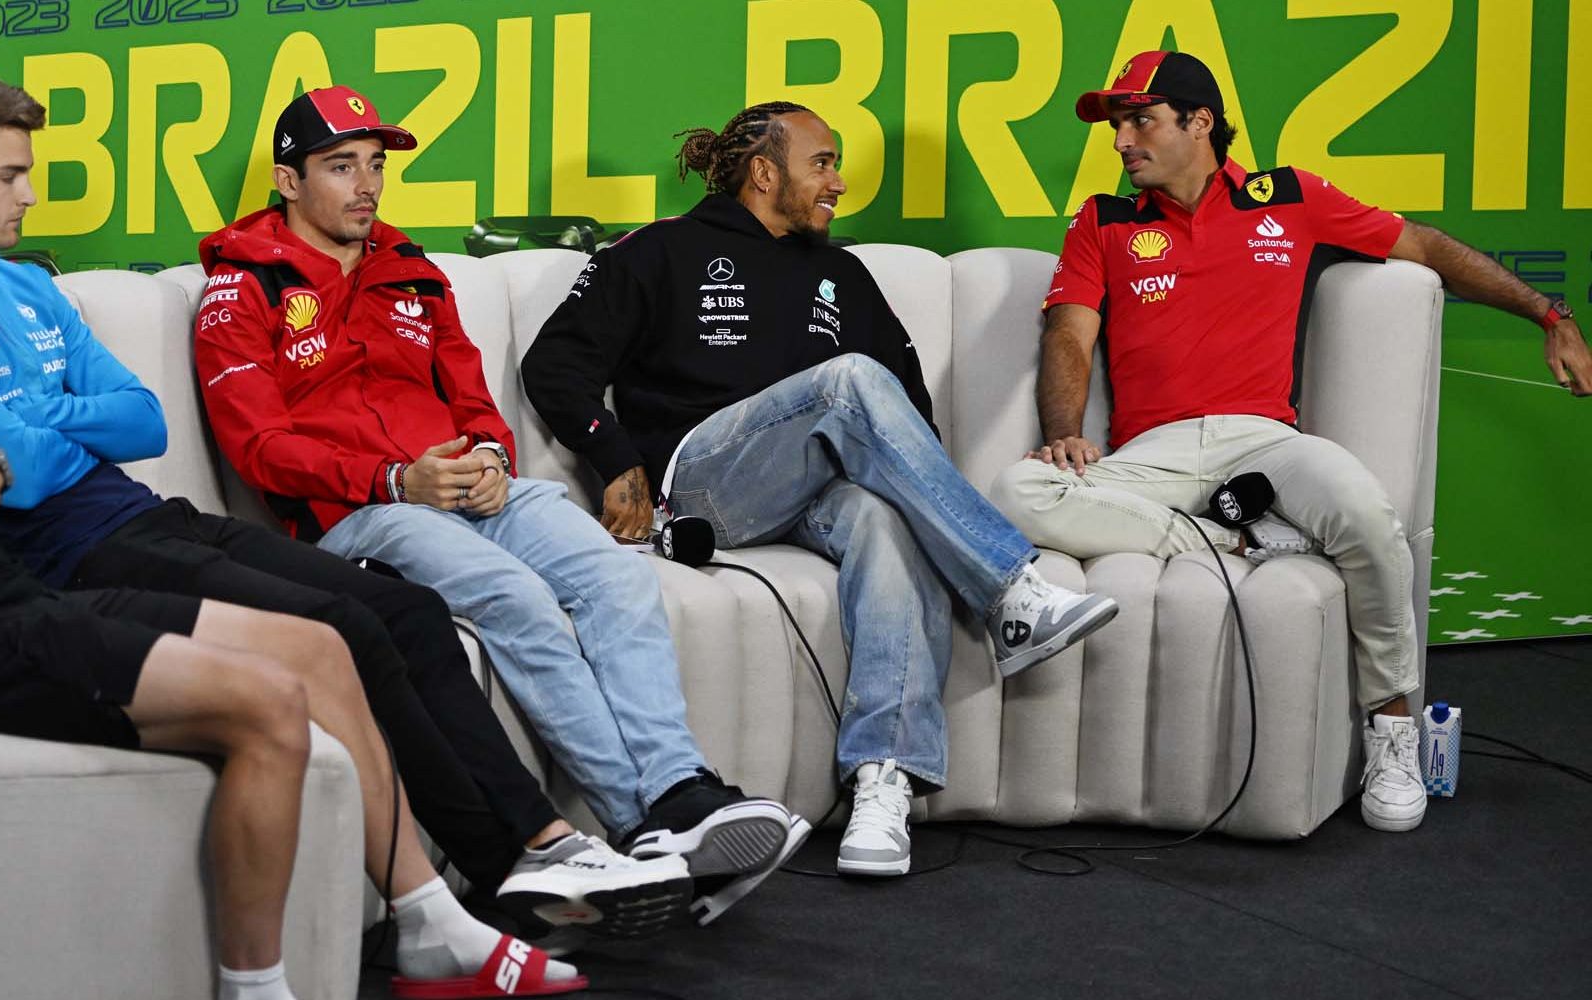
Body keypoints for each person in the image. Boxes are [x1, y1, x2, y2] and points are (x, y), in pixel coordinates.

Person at [0, 127, 590, 1000]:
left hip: (10, 592)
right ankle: (258, 986)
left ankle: (432, 922)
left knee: (323, 650)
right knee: (277, 697)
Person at [0, 68, 689, 948]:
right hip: (61, 553)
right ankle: (512, 861)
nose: (28, 195)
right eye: (9, 177)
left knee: (405, 609)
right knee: (346, 627)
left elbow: (141, 419)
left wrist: (39, 417)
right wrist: (59, 423)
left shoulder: (27, 287)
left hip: (139, 510)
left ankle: (544, 845)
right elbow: (16, 473)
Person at [192, 85, 803, 926]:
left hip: (471, 490)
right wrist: (394, 479)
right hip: (359, 514)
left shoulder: (414, 271)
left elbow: (474, 399)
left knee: (615, 575)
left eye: (375, 167)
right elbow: (257, 447)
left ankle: (679, 791)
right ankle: (641, 827)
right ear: (288, 181)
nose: (366, 186)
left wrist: (487, 455)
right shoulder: (240, 286)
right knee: (518, 599)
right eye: (341, 168)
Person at [993, 50, 1592, 833]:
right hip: (1155, 451)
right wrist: (1064, 435)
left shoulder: (1290, 198)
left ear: (1198, 122)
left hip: (1265, 443)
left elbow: (1428, 248)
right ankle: (1233, 541)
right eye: (1117, 125)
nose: (1120, 142)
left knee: (1369, 518)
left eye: (1139, 120)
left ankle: (1393, 733)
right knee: (1016, 492)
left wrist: (1550, 315)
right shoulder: (1103, 223)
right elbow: (1069, 336)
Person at [520, 101, 1119, 877]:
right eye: (822, 163)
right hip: (703, 483)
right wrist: (617, 462)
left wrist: (914, 494)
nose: (838, 181)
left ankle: (884, 780)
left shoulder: (843, 273)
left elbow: (906, 406)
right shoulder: (660, 251)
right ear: (764, 173)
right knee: (847, 383)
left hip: (814, 495)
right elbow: (555, 364)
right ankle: (1010, 588)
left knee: (888, 519)